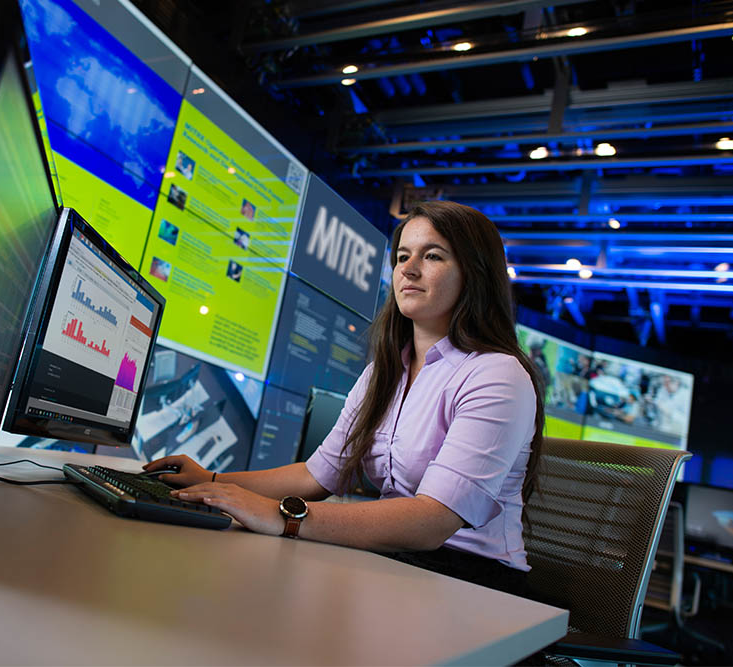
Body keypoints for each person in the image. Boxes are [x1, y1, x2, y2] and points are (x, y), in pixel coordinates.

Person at [144, 200, 545, 595]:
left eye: (433, 256)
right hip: (401, 561)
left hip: (473, 581)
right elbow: (316, 476)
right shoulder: (385, 372)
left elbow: (432, 521)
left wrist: (283, 516)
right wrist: (212, 481)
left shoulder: (497, 374)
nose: (408, 268)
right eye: (403, 255)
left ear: (475, 273)